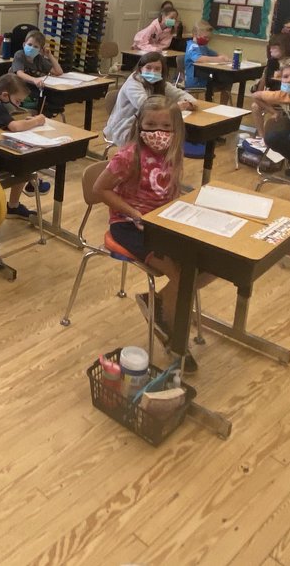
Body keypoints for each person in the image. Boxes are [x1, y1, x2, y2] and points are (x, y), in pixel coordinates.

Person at [94, 95, 207, 372]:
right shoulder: (128, 156)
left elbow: (171, 190)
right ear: (140, 125)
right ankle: (173, 335)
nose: (159, 133)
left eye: (166, 127)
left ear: (177, 130)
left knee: (211, 263)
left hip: (162, 222)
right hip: (129, 224)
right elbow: (99, 190)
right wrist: (134, 213)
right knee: (182, 275)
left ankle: (158, 302)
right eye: (151, 125)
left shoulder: (174, 153)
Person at [0, 74, 50, 218]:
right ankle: (25, 191)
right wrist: (37, 120)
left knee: (26, 157)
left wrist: (26, 122)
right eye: (18, 101)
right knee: (26, 160)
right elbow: (15, 127)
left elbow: (4, 127)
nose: (19, 106)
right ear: (5, 95)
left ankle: (29, 186)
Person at [103, 51, 197, 148]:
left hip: (149, 124)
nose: (153, 72)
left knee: (171, 135)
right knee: (165, 138)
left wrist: (189, 103)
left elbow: (182, 95)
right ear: (140, 69)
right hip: (125, 127)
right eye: (148, 68)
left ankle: (157, 160)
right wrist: (175, 107)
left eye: (157, 69)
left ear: (162, 71)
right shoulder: (133, 82)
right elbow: (146, 106)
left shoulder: (160, 83)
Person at [10, 30, 63, 113]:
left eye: (35, 47)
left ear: (40, 50)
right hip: (18, 90)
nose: (31, 48)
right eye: (29, 45)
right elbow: (19, 73)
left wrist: (49, 55)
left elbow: (58, 72)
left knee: (51, 102)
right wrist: (34, 79)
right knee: (44, 104)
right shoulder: (19, 55)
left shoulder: (39, 59)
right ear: (24, 44)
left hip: (34, 90)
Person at [181, 21, 231, 103]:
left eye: (209, 38)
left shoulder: (203, 47)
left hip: (205, 79)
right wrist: (218, 59)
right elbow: (199, 59)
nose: (207, 40)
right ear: (195, 34)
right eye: (205, 37)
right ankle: (210, 105)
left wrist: (224, 57)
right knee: (217, 82)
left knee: (227, 81)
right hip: (195, 81)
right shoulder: (192, 46)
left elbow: (216, 54)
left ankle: (223, 106)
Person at [250, 34, 289, 138]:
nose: (272, 50)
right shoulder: (271, 62)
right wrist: (259, 90)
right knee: (255, 105)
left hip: (286, 94)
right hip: (272, 93)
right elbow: (264, 79)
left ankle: (276, 114)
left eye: (275, 47)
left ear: (284, 48)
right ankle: (262, 136)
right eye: (271, 47)